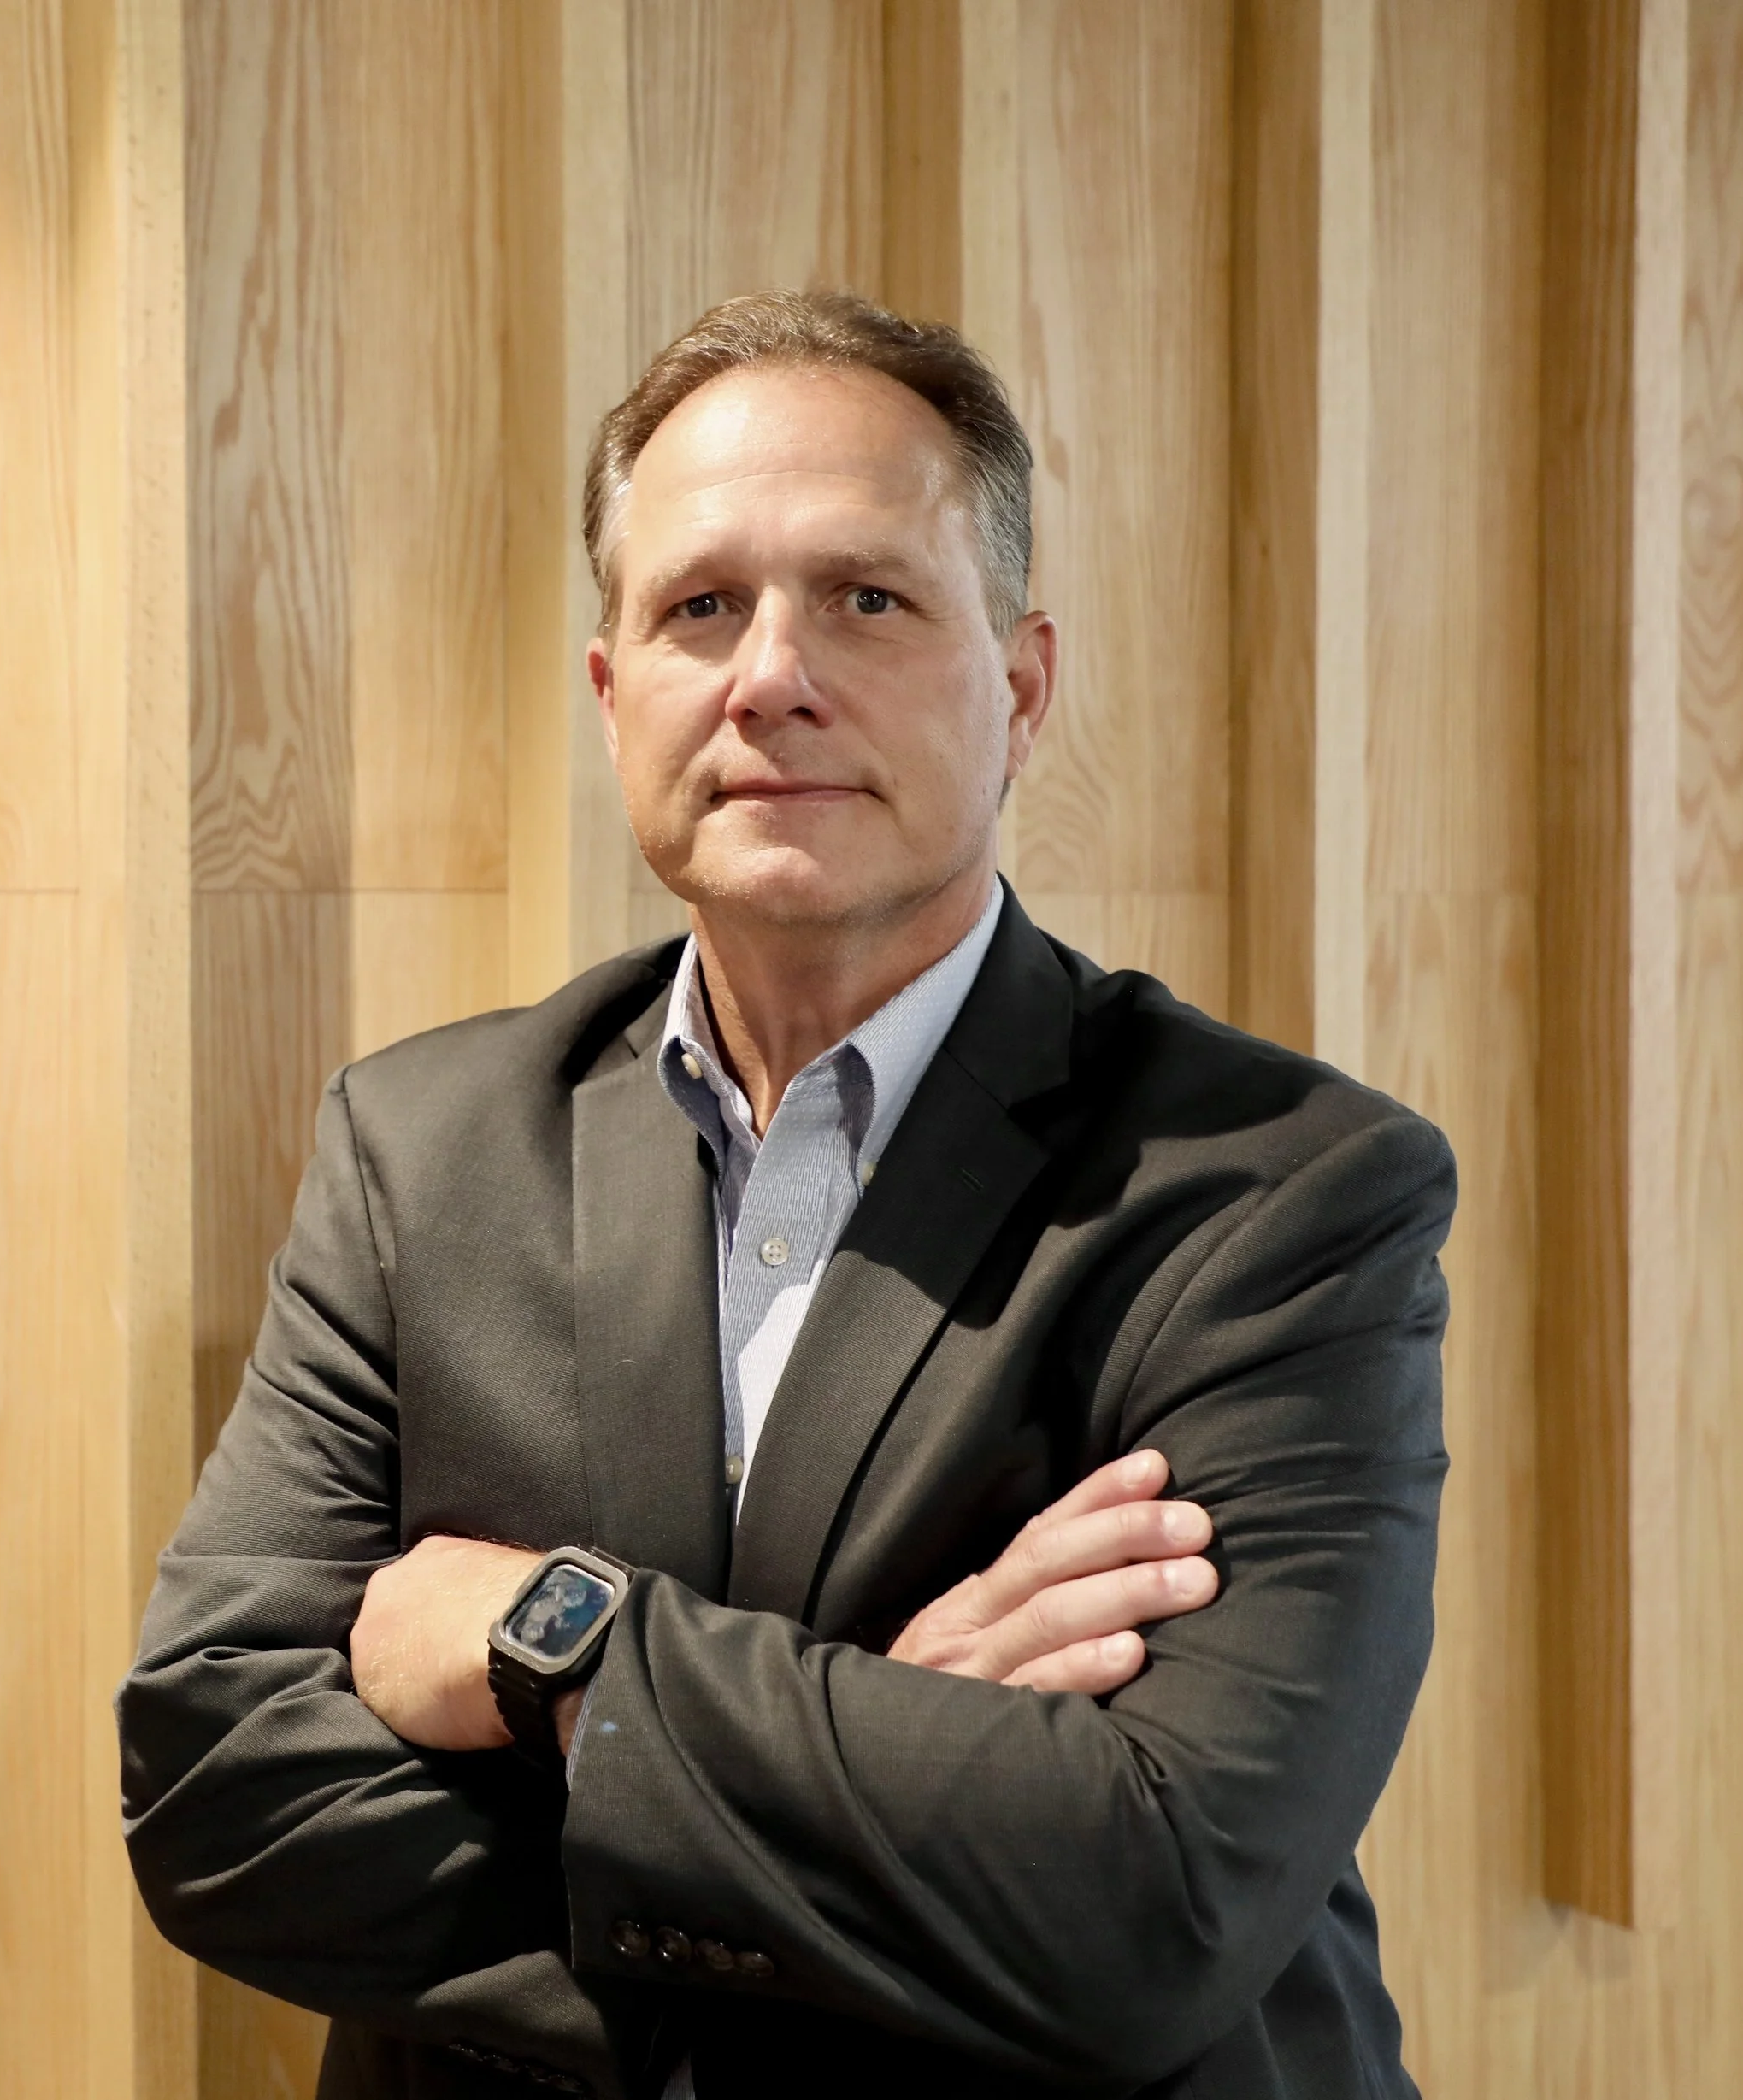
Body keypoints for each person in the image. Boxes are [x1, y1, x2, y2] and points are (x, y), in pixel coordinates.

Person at [117, 290, 1455, 2100]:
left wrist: (559, 1646)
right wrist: (894, 1748)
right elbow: (216, 1793)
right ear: (613, 699)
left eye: (865, 597)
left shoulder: (1278, 1192)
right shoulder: (416, 1152)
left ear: (1021, 685)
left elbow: (1156, 1900)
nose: (767, 674)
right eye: (695, 609)